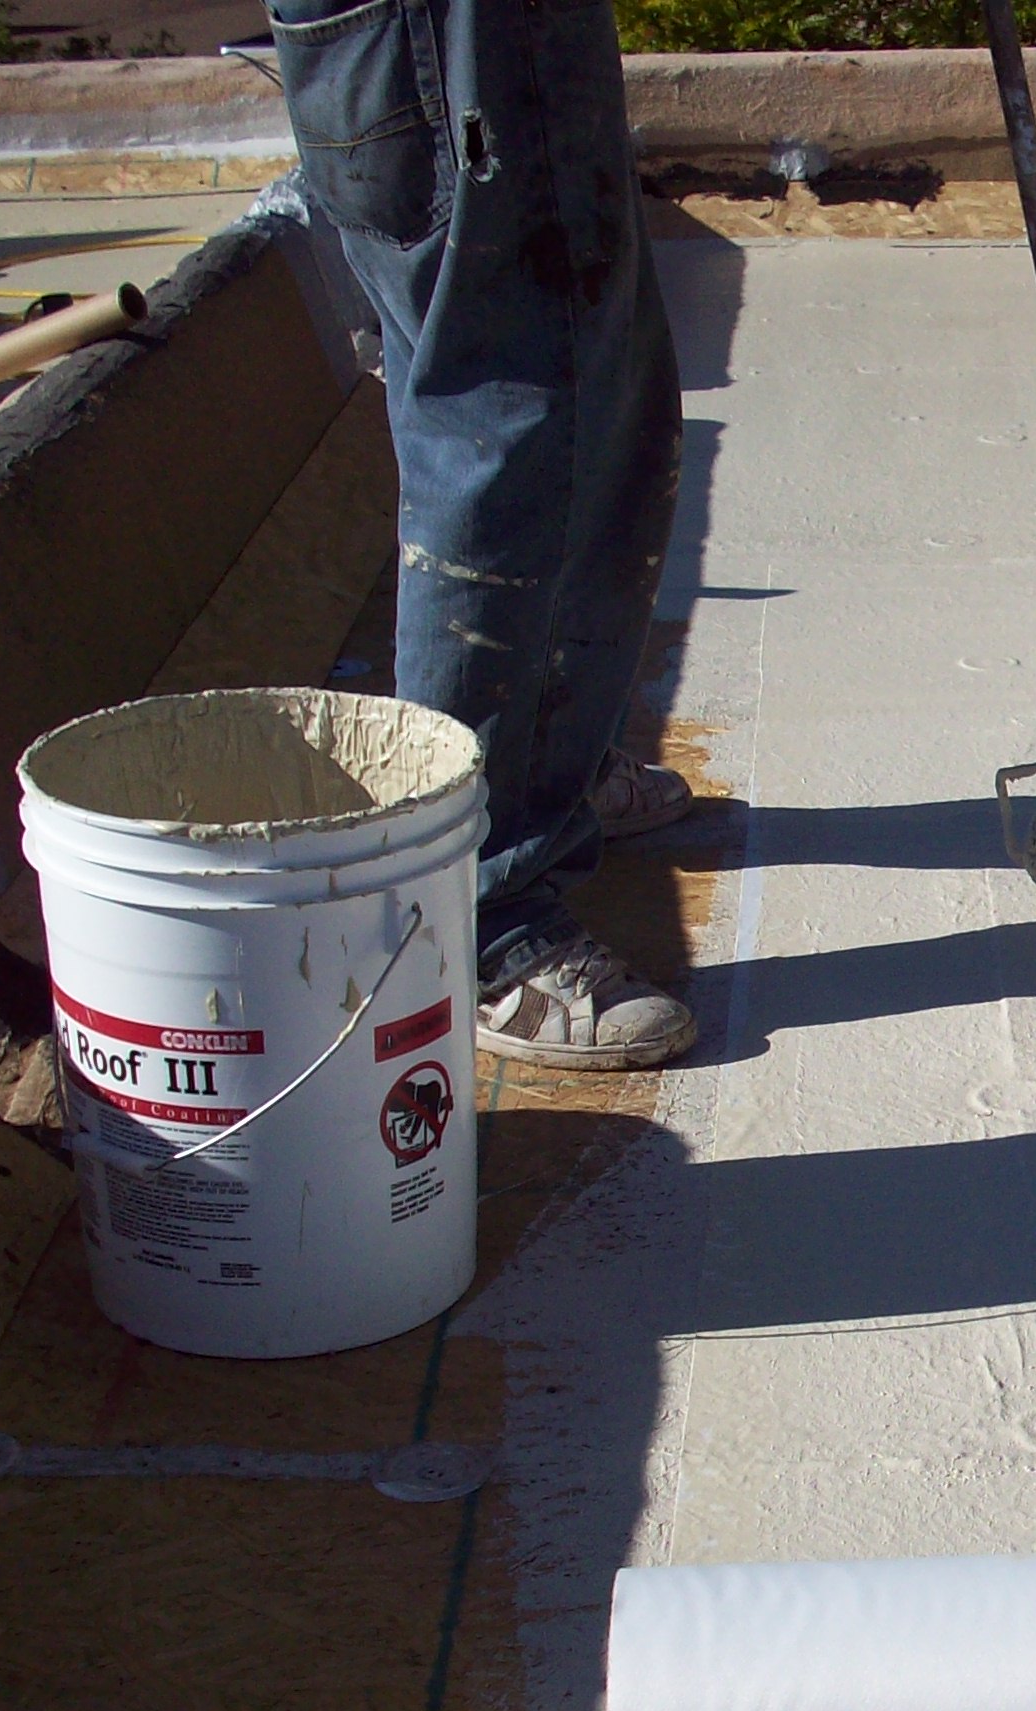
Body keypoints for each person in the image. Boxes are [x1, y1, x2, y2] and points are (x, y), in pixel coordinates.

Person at [267, 0, 699, 1071]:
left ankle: (547, 760)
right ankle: (468, 911)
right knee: (514, 432)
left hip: (456, 42)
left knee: (587, 400)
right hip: (452, 42)